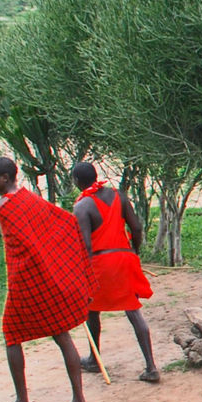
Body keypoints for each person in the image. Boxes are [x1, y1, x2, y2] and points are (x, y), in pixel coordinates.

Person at [0, 156, 96, 402]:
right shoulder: (30, 198)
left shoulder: (4, 206)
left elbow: (21, 246)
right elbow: (64, 222)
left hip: (27, 281)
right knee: (62, 334)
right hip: (50, 279)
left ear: (6, 178)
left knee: (11, 335)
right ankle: (79, 401)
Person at [71, 162, 160, 383]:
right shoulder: (118, 196)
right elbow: (136, 228)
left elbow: (85, 245)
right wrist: (134, 252)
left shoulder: (82, 206)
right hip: (124, 258)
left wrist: (80, 272)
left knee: (92, 310)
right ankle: (151, 366)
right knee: (133, 310)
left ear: (76, 181)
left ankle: (94, 358)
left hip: (100, 262)